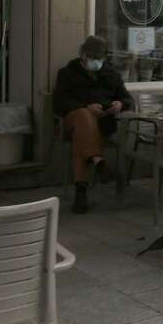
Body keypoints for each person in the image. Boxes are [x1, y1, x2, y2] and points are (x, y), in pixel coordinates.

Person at [53, 35, 134, 214]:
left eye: (99, 58)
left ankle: (81, 191)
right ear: (82, 54)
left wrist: (120, 105)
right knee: (83, 115)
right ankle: (99, 162)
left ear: (104, 57)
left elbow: (128, 98)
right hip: (71, 120)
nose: (95, 61)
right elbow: (59, 103)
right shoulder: (67, 73)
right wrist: (86, 107)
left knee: (79, 139)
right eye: (92, 57)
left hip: (101, 124)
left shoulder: (111, 74)